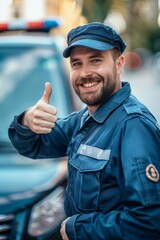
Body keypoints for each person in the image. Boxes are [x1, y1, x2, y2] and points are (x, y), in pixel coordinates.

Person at [9, 22, 160, 240]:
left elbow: (150, 221)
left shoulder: (133, 126)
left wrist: (76, 228)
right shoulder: (84, 118)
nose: (85, 73)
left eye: (96, 60)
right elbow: (32, 146)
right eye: (77, 64)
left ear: (119, 64)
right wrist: (27, 120)